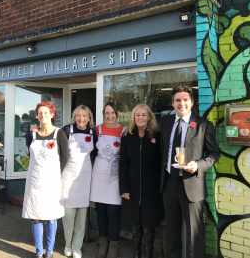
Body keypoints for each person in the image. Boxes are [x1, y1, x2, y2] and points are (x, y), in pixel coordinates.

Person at [160, 85, 220, 258]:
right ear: (172, 103)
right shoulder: (165, 123)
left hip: (192, 184)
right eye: (178, 100)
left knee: (195, 232)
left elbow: (214, 154)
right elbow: (163, 151)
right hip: (169, 183)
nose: (181, 103)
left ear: (192, 102)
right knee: (171, 228)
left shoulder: (203, 125)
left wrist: (198, 165)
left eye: (185, 99)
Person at [22, 101, 68, 258]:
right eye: (40, 113)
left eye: (46, 112)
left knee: (51, 215)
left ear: (52, 114)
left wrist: (56, 175)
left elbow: (64, 158)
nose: (43, 115)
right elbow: (30, 155)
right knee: (36, 216)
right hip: (34, 181)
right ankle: (38, 252)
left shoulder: (59, 134)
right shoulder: (31, 135)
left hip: (52, 182)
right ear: (37, 116)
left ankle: (49, 251)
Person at [119, 104, 164, 258]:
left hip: (151, 188)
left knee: (149, 227)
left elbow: (160, 163)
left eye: (143, 115)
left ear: (149, 117)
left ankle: (148, 255)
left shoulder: (157, 136)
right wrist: (123, 187)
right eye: (137, 115)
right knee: (135, 226)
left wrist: (160, 187)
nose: (140, 118)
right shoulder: (127, 135)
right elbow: (122, 163)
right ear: (133, 118)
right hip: (131, 186)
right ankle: (136, 255)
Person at [90, 102, 126, 258]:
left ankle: (114, 244)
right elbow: (90, 150)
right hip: (99, 174)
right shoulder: (97, 129)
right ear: (103, 114)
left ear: (117, 113)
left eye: (112, 112)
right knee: (101, 212)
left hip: (115, 174)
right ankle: (103, 242)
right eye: (106, 113)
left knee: (113, 212)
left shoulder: (124, 131)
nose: (109, 116)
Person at [61, 105, 98, 258]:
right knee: (68, 216)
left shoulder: (92, 134)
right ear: (74, 117)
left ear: (89, 118)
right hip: (68, 177)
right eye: (78, 115)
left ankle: (77, 247)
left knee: (82, 217)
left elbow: (96, 153)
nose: (81, 119)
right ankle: (68, 244)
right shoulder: (66, 130)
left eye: (85, 116)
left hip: (84, 178)